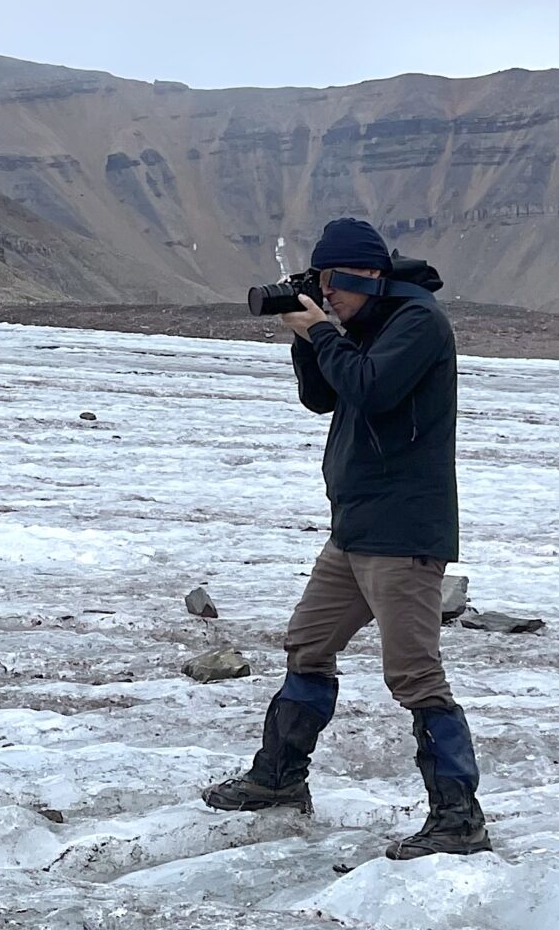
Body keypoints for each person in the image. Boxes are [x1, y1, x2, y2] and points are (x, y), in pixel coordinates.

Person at [200, 217, 490, 860]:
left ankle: (458, 819)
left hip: (404, 531)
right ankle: (279, 779)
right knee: (307, 645)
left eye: (332, 284)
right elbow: (322, 398)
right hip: (355, 528)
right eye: (320, 285)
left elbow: (373, 389)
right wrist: (308, 340)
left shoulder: (418, 322)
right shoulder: (362, 323)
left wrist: (326, 335)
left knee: (414, 675)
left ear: (366, 276)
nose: (326, 296)